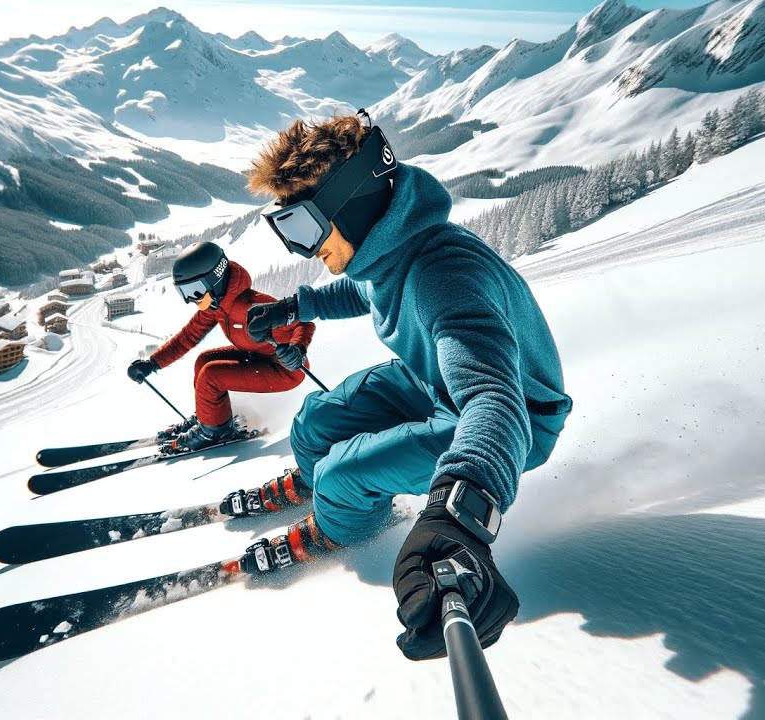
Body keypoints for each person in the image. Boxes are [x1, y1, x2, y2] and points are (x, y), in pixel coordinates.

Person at [238, 110, 572, 662]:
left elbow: (495, 399)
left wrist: (458, 512)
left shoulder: (446, 273)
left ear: (353, 203)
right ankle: (318, 487)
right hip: (434, 380)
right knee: (316, 418)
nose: (303, 249)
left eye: (304, 226)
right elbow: (365, 291)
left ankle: (339, 525)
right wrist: (298, 305)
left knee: (344, 471)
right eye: (288, 229)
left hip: (506, 422)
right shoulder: (393, 250)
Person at [126, 241, 315, 452]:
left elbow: (303, 322)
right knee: (204, 361)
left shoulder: (252, 306)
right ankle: (210, 416)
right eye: (184, 292)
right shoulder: (217, 306)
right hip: (257, 357)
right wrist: (152, 363)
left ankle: (213, 431)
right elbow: (188, 336)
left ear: (214, 280)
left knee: (211, 375)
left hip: (286, 368)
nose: (190, 299)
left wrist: (298, 348)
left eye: (195, 290)